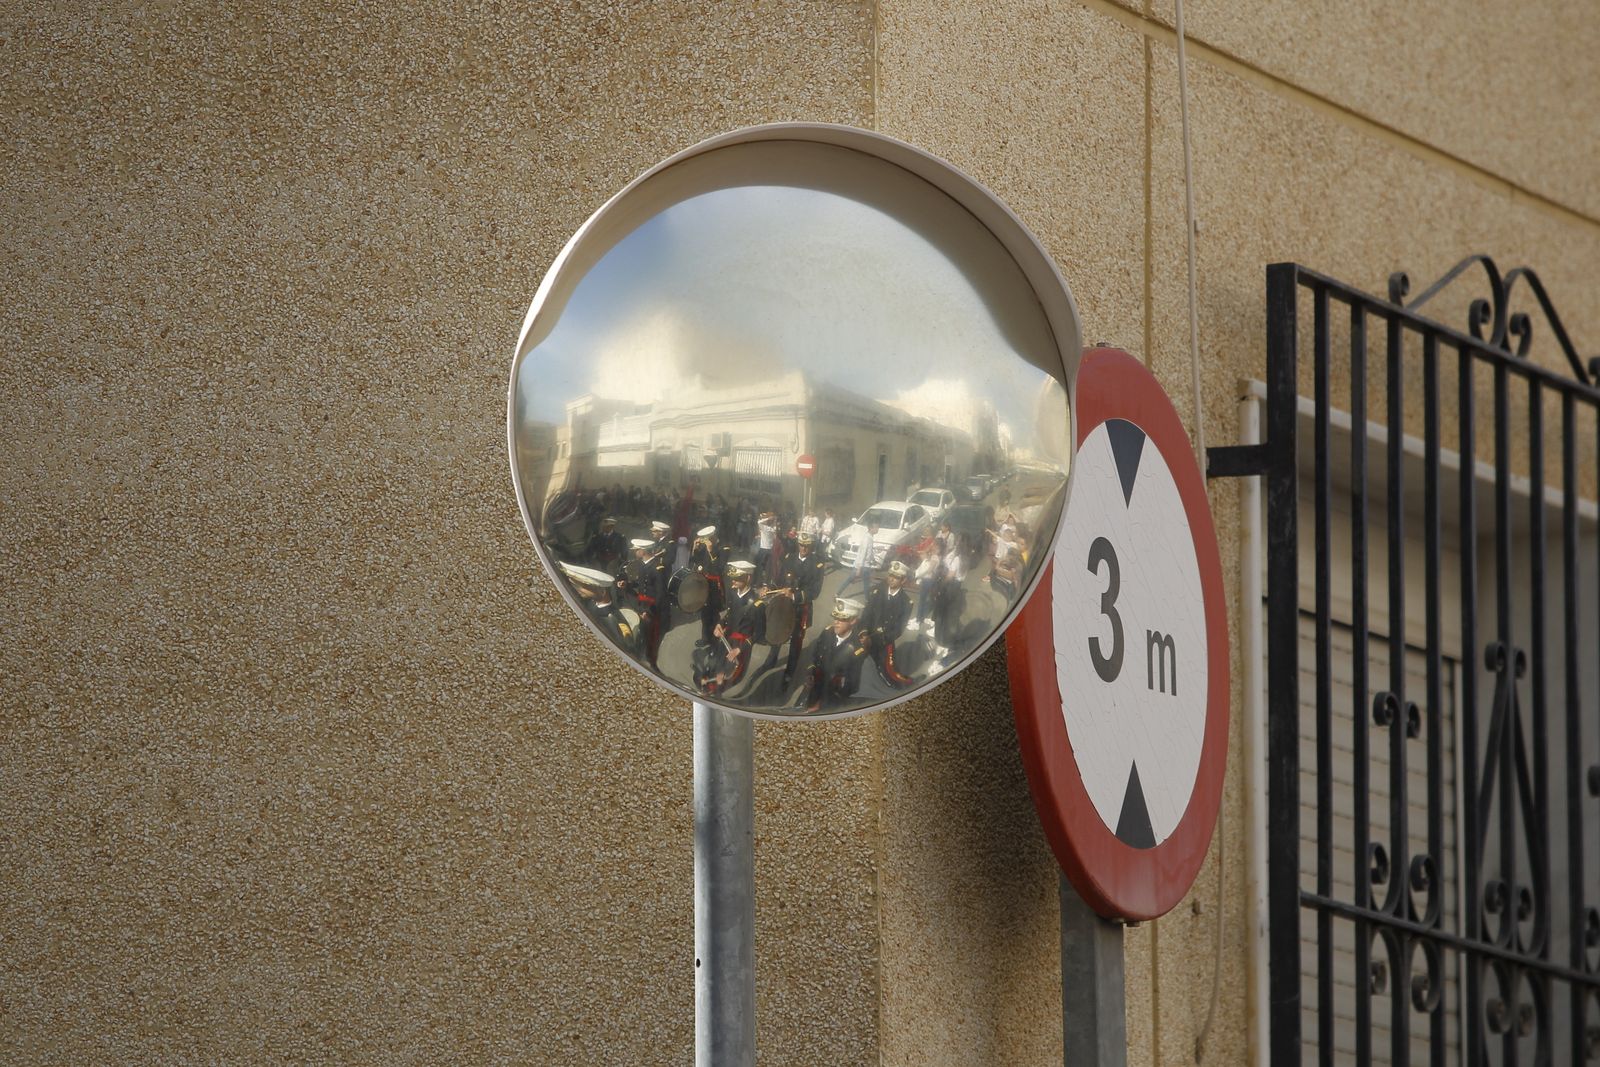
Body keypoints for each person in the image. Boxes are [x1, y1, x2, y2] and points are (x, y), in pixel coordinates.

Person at [695, 560, 764, 695]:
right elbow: (730, 614)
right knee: (714, 667)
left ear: (748, 578)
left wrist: (740, 649)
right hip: (726, 640)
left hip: (740, 646)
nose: (732, 582)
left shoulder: (757, 604)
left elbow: (760, 633)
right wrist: (720, 624)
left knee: (728, 678)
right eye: (732, 579)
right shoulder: (733, 594)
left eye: (737, 579)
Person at [558, 561, 641, 655]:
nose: (579, 590)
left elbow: (625, 650)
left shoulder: (612, 619)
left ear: (602, 591)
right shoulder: (589, 607)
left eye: (584, 586)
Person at [778, 530, 828, 683]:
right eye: (801, 545)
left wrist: (795, 596)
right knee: (779, 632)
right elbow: (780, 578)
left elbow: (815, 591)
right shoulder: (789, 558)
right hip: (785, 604)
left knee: (796, 640)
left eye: (807, 546)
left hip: (801, 607)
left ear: (811, 546)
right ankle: (772, 658)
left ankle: (789, 672)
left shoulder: (817, 564)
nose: (803, 549)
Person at [804, 597, 869, 713]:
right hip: (814, 688)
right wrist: (811, 671)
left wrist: (822, 702)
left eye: (842, 619)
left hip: (833, 701)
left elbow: (850, 685)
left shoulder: (856, 649)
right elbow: (815, 654)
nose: (836, 622)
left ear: (853, 620)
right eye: (835, 617)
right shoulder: (827, 633)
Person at [861, 560, 915, 686]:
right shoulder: (877, 591)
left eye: (896, 577)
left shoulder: (906, 603)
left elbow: (898, 629)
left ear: (903, 580)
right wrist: (863, 632)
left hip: (884, 640)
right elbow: (867, 613)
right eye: (890, 575)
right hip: (866, 634)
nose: (891, 579)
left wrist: (878, 640)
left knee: (888, 672)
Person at [619, 537, 670, 669]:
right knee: (643, 633)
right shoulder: (643, 564)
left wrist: (648, 611)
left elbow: (661, 594)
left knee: (653, 637)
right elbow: (641, 583)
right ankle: (642, 656)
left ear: (643, 551)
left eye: (636, 550)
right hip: (642, 605)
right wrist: (628, 584)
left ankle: (652, 663)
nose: (635, 552)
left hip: (653, 609)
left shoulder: (658, 568)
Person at [930, 536, 968, 661]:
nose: (955, 545)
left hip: (949, 588)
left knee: (941, 614)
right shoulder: (966, 558)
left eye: (957, 543)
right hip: (957, 588)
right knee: (949, 614)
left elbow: (950, 576)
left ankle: (941, 640)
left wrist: (940, 585)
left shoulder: (957, 559)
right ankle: (944, 638)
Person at [690, 524, 726, 645]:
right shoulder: (706, 547)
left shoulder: (723, 548)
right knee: (704, 612)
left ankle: (715, 638)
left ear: (713, 538)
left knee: (714, 613)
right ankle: (705, 638)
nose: (706, 542)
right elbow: (697, 561)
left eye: (707, 539)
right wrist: (695, 548)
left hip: (715, 586)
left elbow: (719, 568)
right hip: (705, 583)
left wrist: (711, 552)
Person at [837, 519, 880, 597]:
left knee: (853, 580)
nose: (878, 529)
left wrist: (873, 560)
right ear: (871, 528)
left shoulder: (869, 537)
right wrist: (859, 568)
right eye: (876, 527)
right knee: (865, 583)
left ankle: (837, 593)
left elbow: (869, 551)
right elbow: (863, 553)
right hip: (863, 565)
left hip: (861, 564)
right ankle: (867, 599)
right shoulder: (867, 538)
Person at [908, 541, 941, 631]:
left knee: (922, 600)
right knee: (921, 600)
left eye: (935, 547)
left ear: (939, 549)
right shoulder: (932, 556)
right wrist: (929, 547)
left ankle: (918, 621)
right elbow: (921, 553)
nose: (933, 548)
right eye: (934, 546)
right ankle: (918, 617)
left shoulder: (935, 558)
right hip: (926, 580)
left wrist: (919, 576)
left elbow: (929, 570)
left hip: (928, 580)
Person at [986, 523, 1021, 602]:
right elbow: (995, 536)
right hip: (998, 557)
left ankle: (1000, 577)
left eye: (1007, 536)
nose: (1004, 537)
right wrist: (989, 531)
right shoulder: (1001, 539)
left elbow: (1018, 547)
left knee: (1002, 569)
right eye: (1004, 535)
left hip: (1005, 560)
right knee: (994, 567)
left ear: (1010, 537)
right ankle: (991, 576)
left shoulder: (1012, 544)